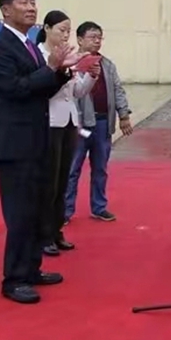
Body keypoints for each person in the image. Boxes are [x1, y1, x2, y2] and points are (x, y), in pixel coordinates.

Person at [0, 0, 80, 304]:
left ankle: (32, 268)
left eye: (33, 2)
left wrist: (61, 72)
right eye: (23, 2)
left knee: (38, 208)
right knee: (20, 213)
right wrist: (50, 68)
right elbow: (13, 88)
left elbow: (41, 90)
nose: (31, 7)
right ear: (5, 9)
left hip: (38, 140)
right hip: (14, 144)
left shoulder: (30, 47)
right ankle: (14, 279)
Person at [37, 11, 99, 256]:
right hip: (50, 122)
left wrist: (91, 75)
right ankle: (44, 235)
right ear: (47, 28)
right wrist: (61, 69)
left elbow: (78, 91)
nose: (65, 35)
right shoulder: (40, 56)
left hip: (70, 121)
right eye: (61, 30)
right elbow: (45, 90)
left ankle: (56, 231)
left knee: (63, 180)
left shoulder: (68, 57)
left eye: (68, 31)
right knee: (49, 183)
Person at [64, 21, 132, 223]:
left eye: (99, 37)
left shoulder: (107, 64)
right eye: (92, 37)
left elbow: (118, 90)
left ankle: (99, 207)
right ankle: (65, 211)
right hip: (79, 124)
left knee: (100, 168)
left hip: (102, 123)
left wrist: (124, 115)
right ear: (80, 39)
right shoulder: (72, 64)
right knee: (72, 169)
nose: (97, 41)